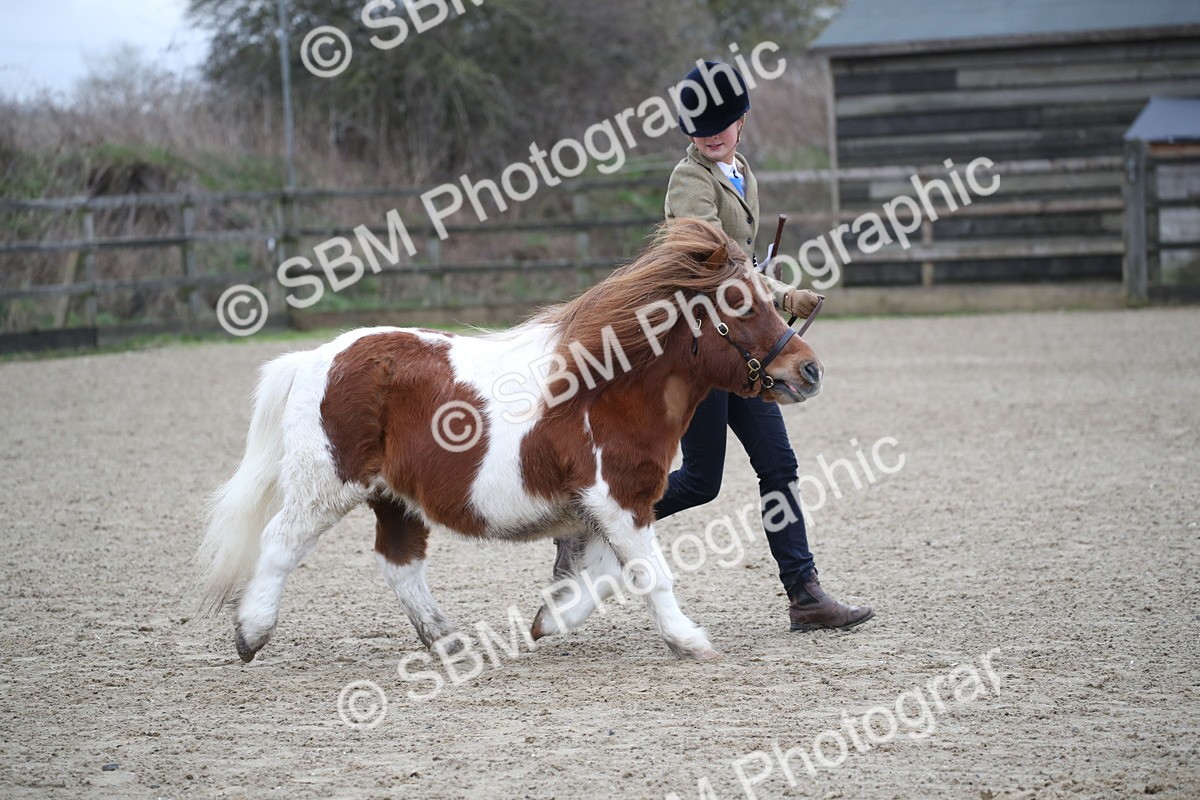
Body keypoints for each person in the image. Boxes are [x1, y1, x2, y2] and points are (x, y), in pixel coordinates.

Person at [656, 60, 873, 631]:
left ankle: (805, 594)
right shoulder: (689, 182)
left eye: (720, 123)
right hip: (705, 347)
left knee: (779, 464)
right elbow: (717, 266)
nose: (708, 134)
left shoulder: (740, 172)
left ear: (741, 121)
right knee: (702, 482)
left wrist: (767, 289)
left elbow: (745, 263)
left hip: (744, 347)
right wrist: (781, 295)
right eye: (699, 126)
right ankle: (604, 518)